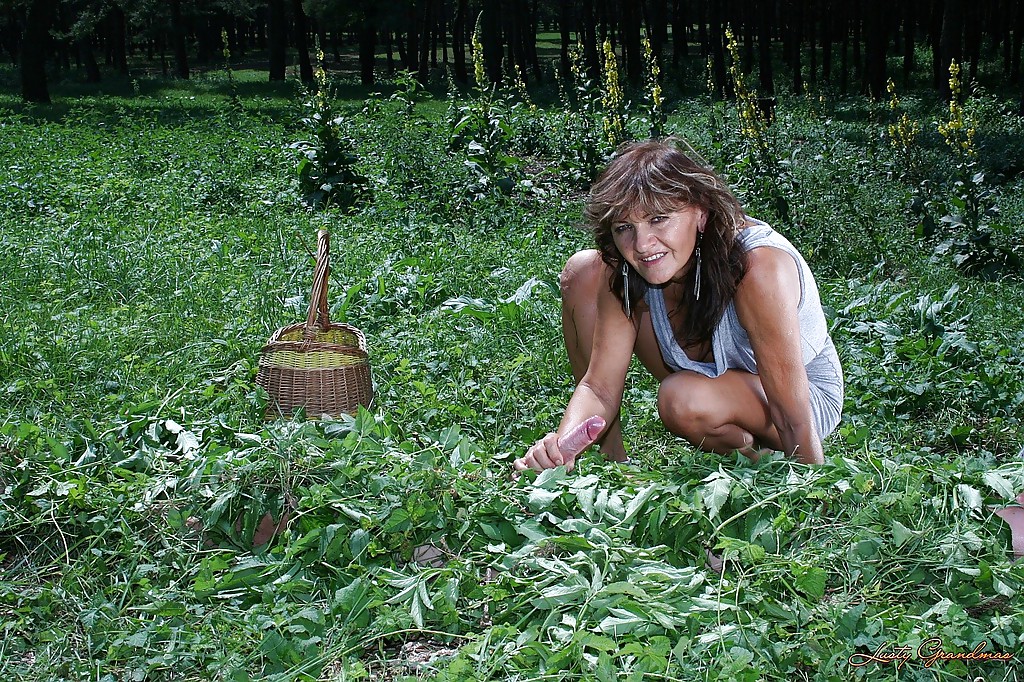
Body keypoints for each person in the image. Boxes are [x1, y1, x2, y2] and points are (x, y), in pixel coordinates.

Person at [513, 139, 843, 472]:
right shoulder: (626, 266)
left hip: (798, 398)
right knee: (586, 271)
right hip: (708, 383)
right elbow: (599, 387)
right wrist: (562, 447)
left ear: (700, 213)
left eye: (659, 219)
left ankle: (758, 461)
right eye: (625, 227)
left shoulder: (757, 266)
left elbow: (792, 413)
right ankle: (609, 460)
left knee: (681, 398)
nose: (642, 245)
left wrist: (810, 492)